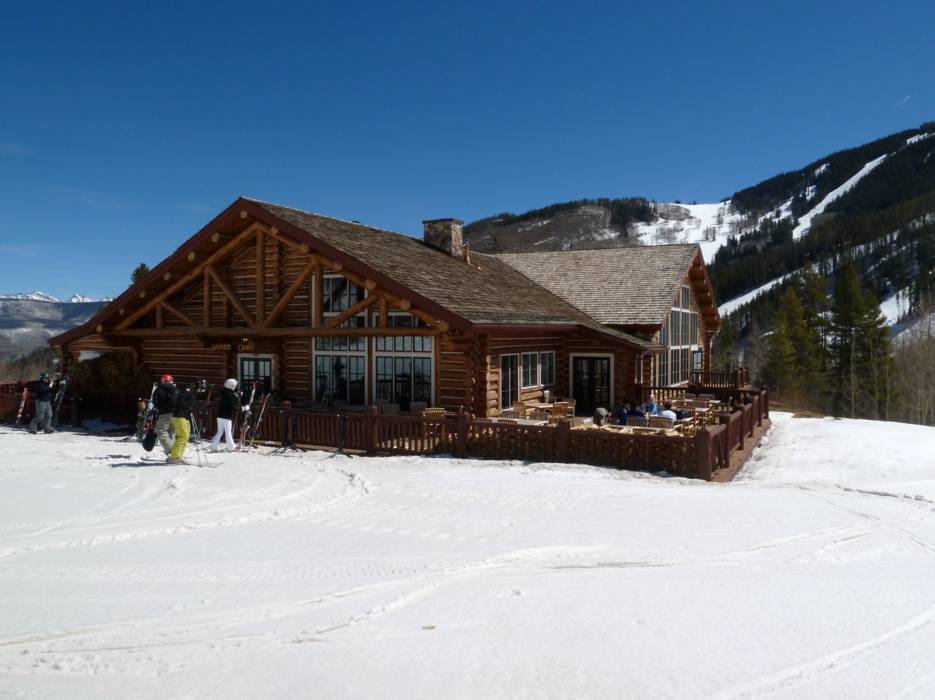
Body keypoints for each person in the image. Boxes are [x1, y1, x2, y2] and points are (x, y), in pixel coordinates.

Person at [168, 381, 197, 464]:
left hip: (184, 417)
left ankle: (178, 455)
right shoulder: (187, 393)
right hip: (180, 416)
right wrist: (189, 407)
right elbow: (180, 403)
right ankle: (174, 457)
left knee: (185, 436)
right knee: (182, 436)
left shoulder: (184, 392)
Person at [211, 378, 241, 452]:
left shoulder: (223, 392)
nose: (236, 387)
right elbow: (234, 406)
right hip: (226, 416)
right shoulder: (231, 394)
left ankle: (213, 446)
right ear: (232, 386)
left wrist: (236, 395)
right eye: (235, 386)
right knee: (228, 432)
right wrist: (243, 408)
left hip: (220, 415)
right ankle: (231, 447)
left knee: (220, 431)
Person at [152, 374, 178, 456]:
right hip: (176, 414)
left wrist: (159, 408)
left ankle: (170, 451)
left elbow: (155, 402)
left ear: (162, 380)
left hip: (164, 413)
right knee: (172, 431)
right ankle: (174, 451)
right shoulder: (175, 389)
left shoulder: (159, 389)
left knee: (161, 430)